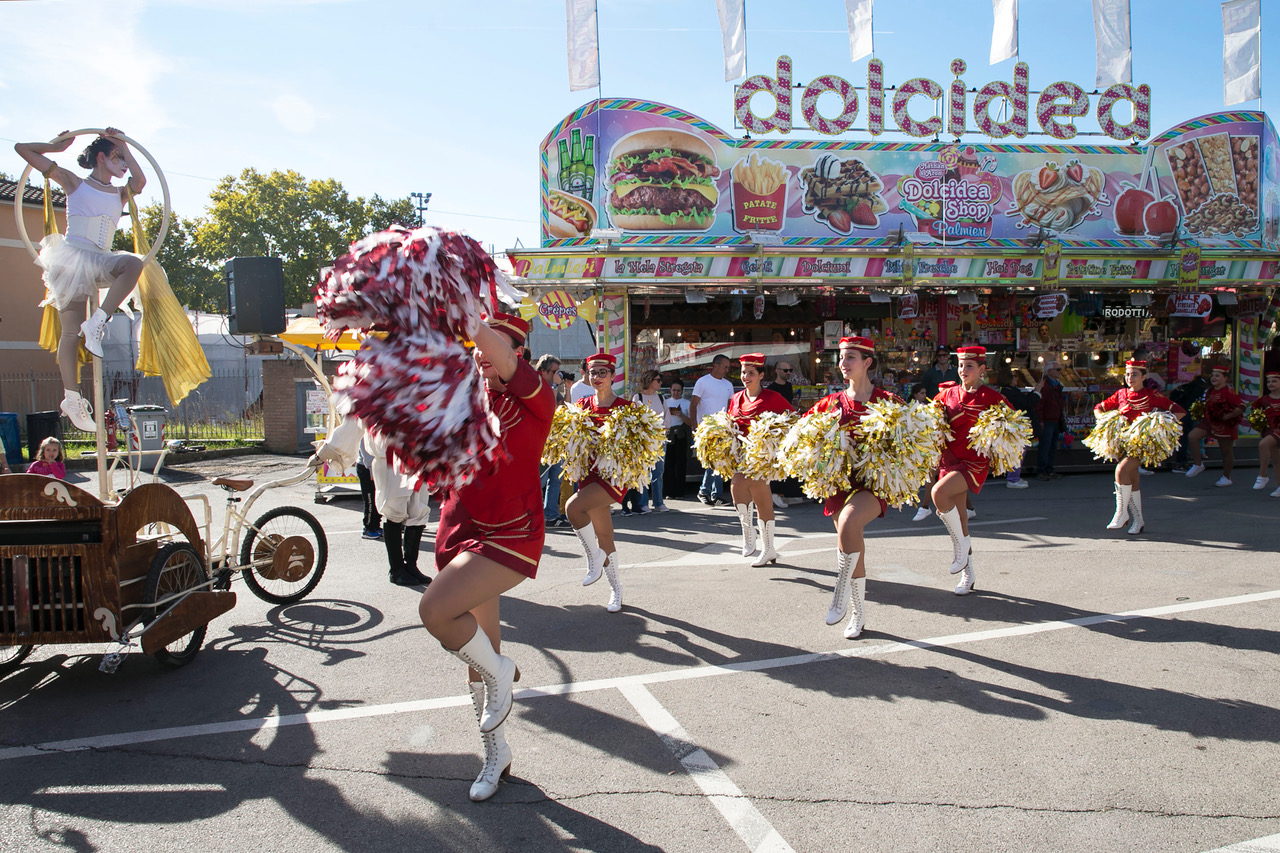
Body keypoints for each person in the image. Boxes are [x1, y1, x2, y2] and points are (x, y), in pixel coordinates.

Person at [417, 311, 555, 803]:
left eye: (492, 348)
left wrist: (466, 314)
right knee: (475, 656)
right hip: (460, 529)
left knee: (435, 612)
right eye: (476, 349)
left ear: (516, 352)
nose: (481, 357)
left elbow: (493, 350)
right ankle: (496, 756)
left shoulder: (537, 398)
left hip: (509, 533)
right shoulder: (462, 400)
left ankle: (501, 671)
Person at [15, 130, 147, 432]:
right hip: (73, 259)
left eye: (124, 158)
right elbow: (22, 148)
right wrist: (54, 147)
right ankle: (72, 399)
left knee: (132, 263)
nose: (124, 164)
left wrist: (125, 145)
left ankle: (98, 320)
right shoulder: (74, 182)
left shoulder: (119, 193)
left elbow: (140, 182)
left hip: (101, 259)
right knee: (70, 333)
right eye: (117, 157)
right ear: (101, 157)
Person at [805, 337, 902, 638]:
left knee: (849, 523)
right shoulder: (831, 403)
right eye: (841, 358)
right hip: (839, 484)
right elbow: (804, 433)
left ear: (867, 363)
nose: (842, 364)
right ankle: (858, 615)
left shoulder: (888, 402)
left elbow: (909, 440)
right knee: (850, 541)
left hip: (873, 484)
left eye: (850, 358)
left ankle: (840, 590)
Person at [931, 346, 1008, 596]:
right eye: (961, 366)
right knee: (961, 521)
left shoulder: (991, 397)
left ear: (982, 369)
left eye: (970, 366)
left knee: (938, 494)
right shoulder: (946, 394)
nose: (963, 370)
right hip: (949, 461)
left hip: (974, 463)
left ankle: (960, 552)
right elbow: (930, 424)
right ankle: (968, 574)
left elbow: (1013, 424)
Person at [566, 352, 630, 612]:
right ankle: (616, 589)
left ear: (612, 376)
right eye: (593, 373)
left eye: (603, 373)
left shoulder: (626, 407)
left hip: (613, 477)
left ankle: (594, 559)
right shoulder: (581, 404)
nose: (597, 377)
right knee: (605, 535)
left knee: (573, 508)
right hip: (588, 474)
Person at [1093, 360, 1185, 535]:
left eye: (1134, 374)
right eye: (1127, 374)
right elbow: (1099, 408)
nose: (1129, 378)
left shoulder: (1152, 395)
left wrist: (1159, 426)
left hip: (1142, 444)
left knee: (1121, 471)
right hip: (1124, 443)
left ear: (1144, 377)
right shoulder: (1121, 394)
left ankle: (1121, 514)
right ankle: (1139, 520)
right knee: (1132, 480)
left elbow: (1179, 411)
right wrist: (1104, 421)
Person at [725, 354, 793, 565]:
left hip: (762, 458)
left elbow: (791, 419)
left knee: (759, 496)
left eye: (751, 373)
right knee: (739, 489)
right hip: (741, 456)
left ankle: (766, 547)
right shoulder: (737, 398)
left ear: (761, 375)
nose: (746, 376)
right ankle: (752, 537)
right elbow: (729, 423)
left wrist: (774, 438)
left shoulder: (772, 397)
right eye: (743, 372)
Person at [1186, 364, 1246, 486]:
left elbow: (1242, 407)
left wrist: (1226, 416)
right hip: (1209, 422)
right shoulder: (1209, 391)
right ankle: (1198, 464)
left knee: (1226, 451)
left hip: (1225, 425)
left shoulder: (1229, 392)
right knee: (1192, 436)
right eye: (1213, 375)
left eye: (1217, 376)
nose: (1214, 378)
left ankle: (1226, 477)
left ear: (1225, 378)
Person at [691, 354, 735, 505]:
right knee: (712, 462)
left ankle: (715, 494)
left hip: (723, 429)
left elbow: (730, 408)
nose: (727, 370)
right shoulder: (702, 382)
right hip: (706, 429)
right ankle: (704, 491)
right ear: (715, 365)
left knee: (720, 461)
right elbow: (693, 404)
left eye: (728, 367)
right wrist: (694, 425)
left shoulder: (728, 384)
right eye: (725, 367)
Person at [535, 354, 568, 526]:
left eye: (558, 372)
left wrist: (567, 388)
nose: (557, 375)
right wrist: (555, 385)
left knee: (556, 478)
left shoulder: (555, 389)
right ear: (543, 371)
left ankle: (551, 515)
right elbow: (549, 409)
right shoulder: (536, 387)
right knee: (538, 480)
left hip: (557, 440)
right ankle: (531, 516)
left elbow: (565, 409)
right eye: (554, 371)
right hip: (541, 441)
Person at [632, 370, 669, 514]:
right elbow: (634, 417)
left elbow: (667, 416)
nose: (660, 383)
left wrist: (664, 431)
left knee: (658, 471)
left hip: (659, 439)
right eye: (658, 380)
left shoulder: (661, 398)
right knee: (643, 472)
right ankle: (643, 503)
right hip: (644, 440)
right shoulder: (638, 397)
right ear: (649, 380)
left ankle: (658, 502)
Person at [995, 368, 1033, 490]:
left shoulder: (1006, 391)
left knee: (1017, 451)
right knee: (1017, 451)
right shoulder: (1008, 393)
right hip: (1012, 426)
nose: (1016, 379)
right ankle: (1013, 478)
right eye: (1014, 377)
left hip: (1012, 425)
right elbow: (1024, 404)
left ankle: (1014, 476)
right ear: (1009, 379)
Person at [1168, 373, 1208, 472]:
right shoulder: (1201, 388)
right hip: (1187, 413)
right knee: (1184, 438)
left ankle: (1180, 461)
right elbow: (1202, 402)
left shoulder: (1186, 387)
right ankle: (1181, 462)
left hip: (1178, 412)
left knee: (1182, 438)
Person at [1034, 362, 1067, 480]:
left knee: (1052, 445)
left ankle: (1049, 469)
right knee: (1045, 445)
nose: (1059, 371)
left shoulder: (1057, 385)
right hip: (1048, 419)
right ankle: (1042, 470)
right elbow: (1040, 405)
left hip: (1055, 419)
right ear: (1049, 371)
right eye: (1057, 369)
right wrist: (1041, 420)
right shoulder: (1045, 386)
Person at [1250, 371, 1280, 496]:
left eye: (1274, 381)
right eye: (1268, 382)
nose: (1271, 384)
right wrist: (1258, 420)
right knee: (1277, 461)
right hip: (1270, 430)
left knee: (1263, 444)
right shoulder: (1265, 399)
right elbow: (1253, 409)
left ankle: (1263, 475)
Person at [909, 383, 935, 521]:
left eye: (925, 393)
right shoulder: (908, 407)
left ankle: (925, 506)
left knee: (931, 474)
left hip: (929, 446)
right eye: (922, 393)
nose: (924, 396)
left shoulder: (928, 408)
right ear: (915, 394)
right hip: (917, 446)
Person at [663, 379, 693, 499]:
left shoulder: (686, 403)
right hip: (668, 434)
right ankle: (668, 491)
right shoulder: (665, 402)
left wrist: (680, 414)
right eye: (674, 390)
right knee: (668, 464)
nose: (676, 393)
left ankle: (679, 491)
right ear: (670, 390)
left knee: (680, 464)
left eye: (678, 390)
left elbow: (690, 422)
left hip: (681, 435)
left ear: (682, 391)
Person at [356, 440, 382, 540]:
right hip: (366, 468)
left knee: (377, 498)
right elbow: (364, 448)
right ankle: (368, 528)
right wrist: (371, 469)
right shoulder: (366, 427)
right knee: (370, 499)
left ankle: (375, 525)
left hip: (375, 466)